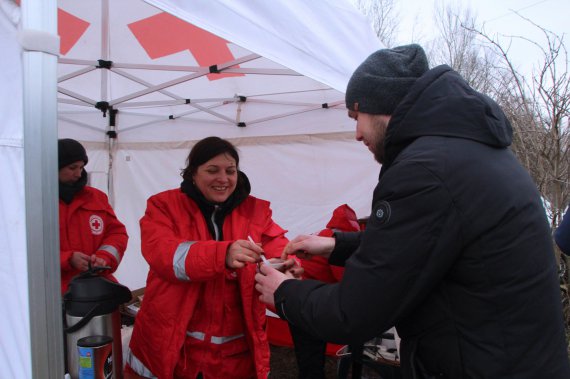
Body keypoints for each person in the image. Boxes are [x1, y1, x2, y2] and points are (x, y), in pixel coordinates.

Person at [255, 44, 570, 378]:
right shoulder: (472, 151)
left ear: (381, 107)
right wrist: (338, 246)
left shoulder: (424, 172)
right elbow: (431, 245)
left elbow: (355, 312)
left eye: (356, 117)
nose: (357, 133)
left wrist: (284, 292)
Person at [126, 136, 301, 379]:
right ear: (192, 174)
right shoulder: (163, 206)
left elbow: (276, 247)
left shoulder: (254, 210)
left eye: (230, 171)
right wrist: (222, 254)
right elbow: (163, 255)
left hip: (236, 353)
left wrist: (288, 266)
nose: (223, 178)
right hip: (176, 347)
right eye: (212, 170)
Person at [58, 138, 128, 294]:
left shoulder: (96, 197)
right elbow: (23, 250)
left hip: (95, 289)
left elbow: (117, 233)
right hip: (52, 294)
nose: (78, 174)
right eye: (72, 168)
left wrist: (104, 257)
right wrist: (67, 259)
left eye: (82, 167)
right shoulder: (36, 203)